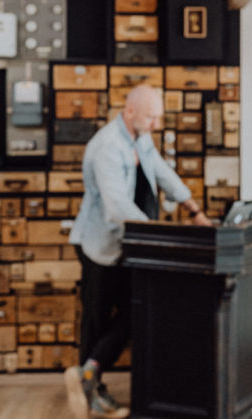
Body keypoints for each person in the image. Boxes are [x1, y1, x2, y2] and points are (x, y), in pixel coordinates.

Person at [64, 84, 212, 419]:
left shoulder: (140, 137)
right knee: (96, 320)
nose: (157, 124)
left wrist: (194, 209)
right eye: (151, 117)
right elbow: (117, 205)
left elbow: (162, 172)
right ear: (129, 111)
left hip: (131, 246)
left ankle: (87, 372)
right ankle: (91, 393)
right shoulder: (107, 146)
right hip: (101, 247)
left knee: (138, 310)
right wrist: (155, 233)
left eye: (159, 117)